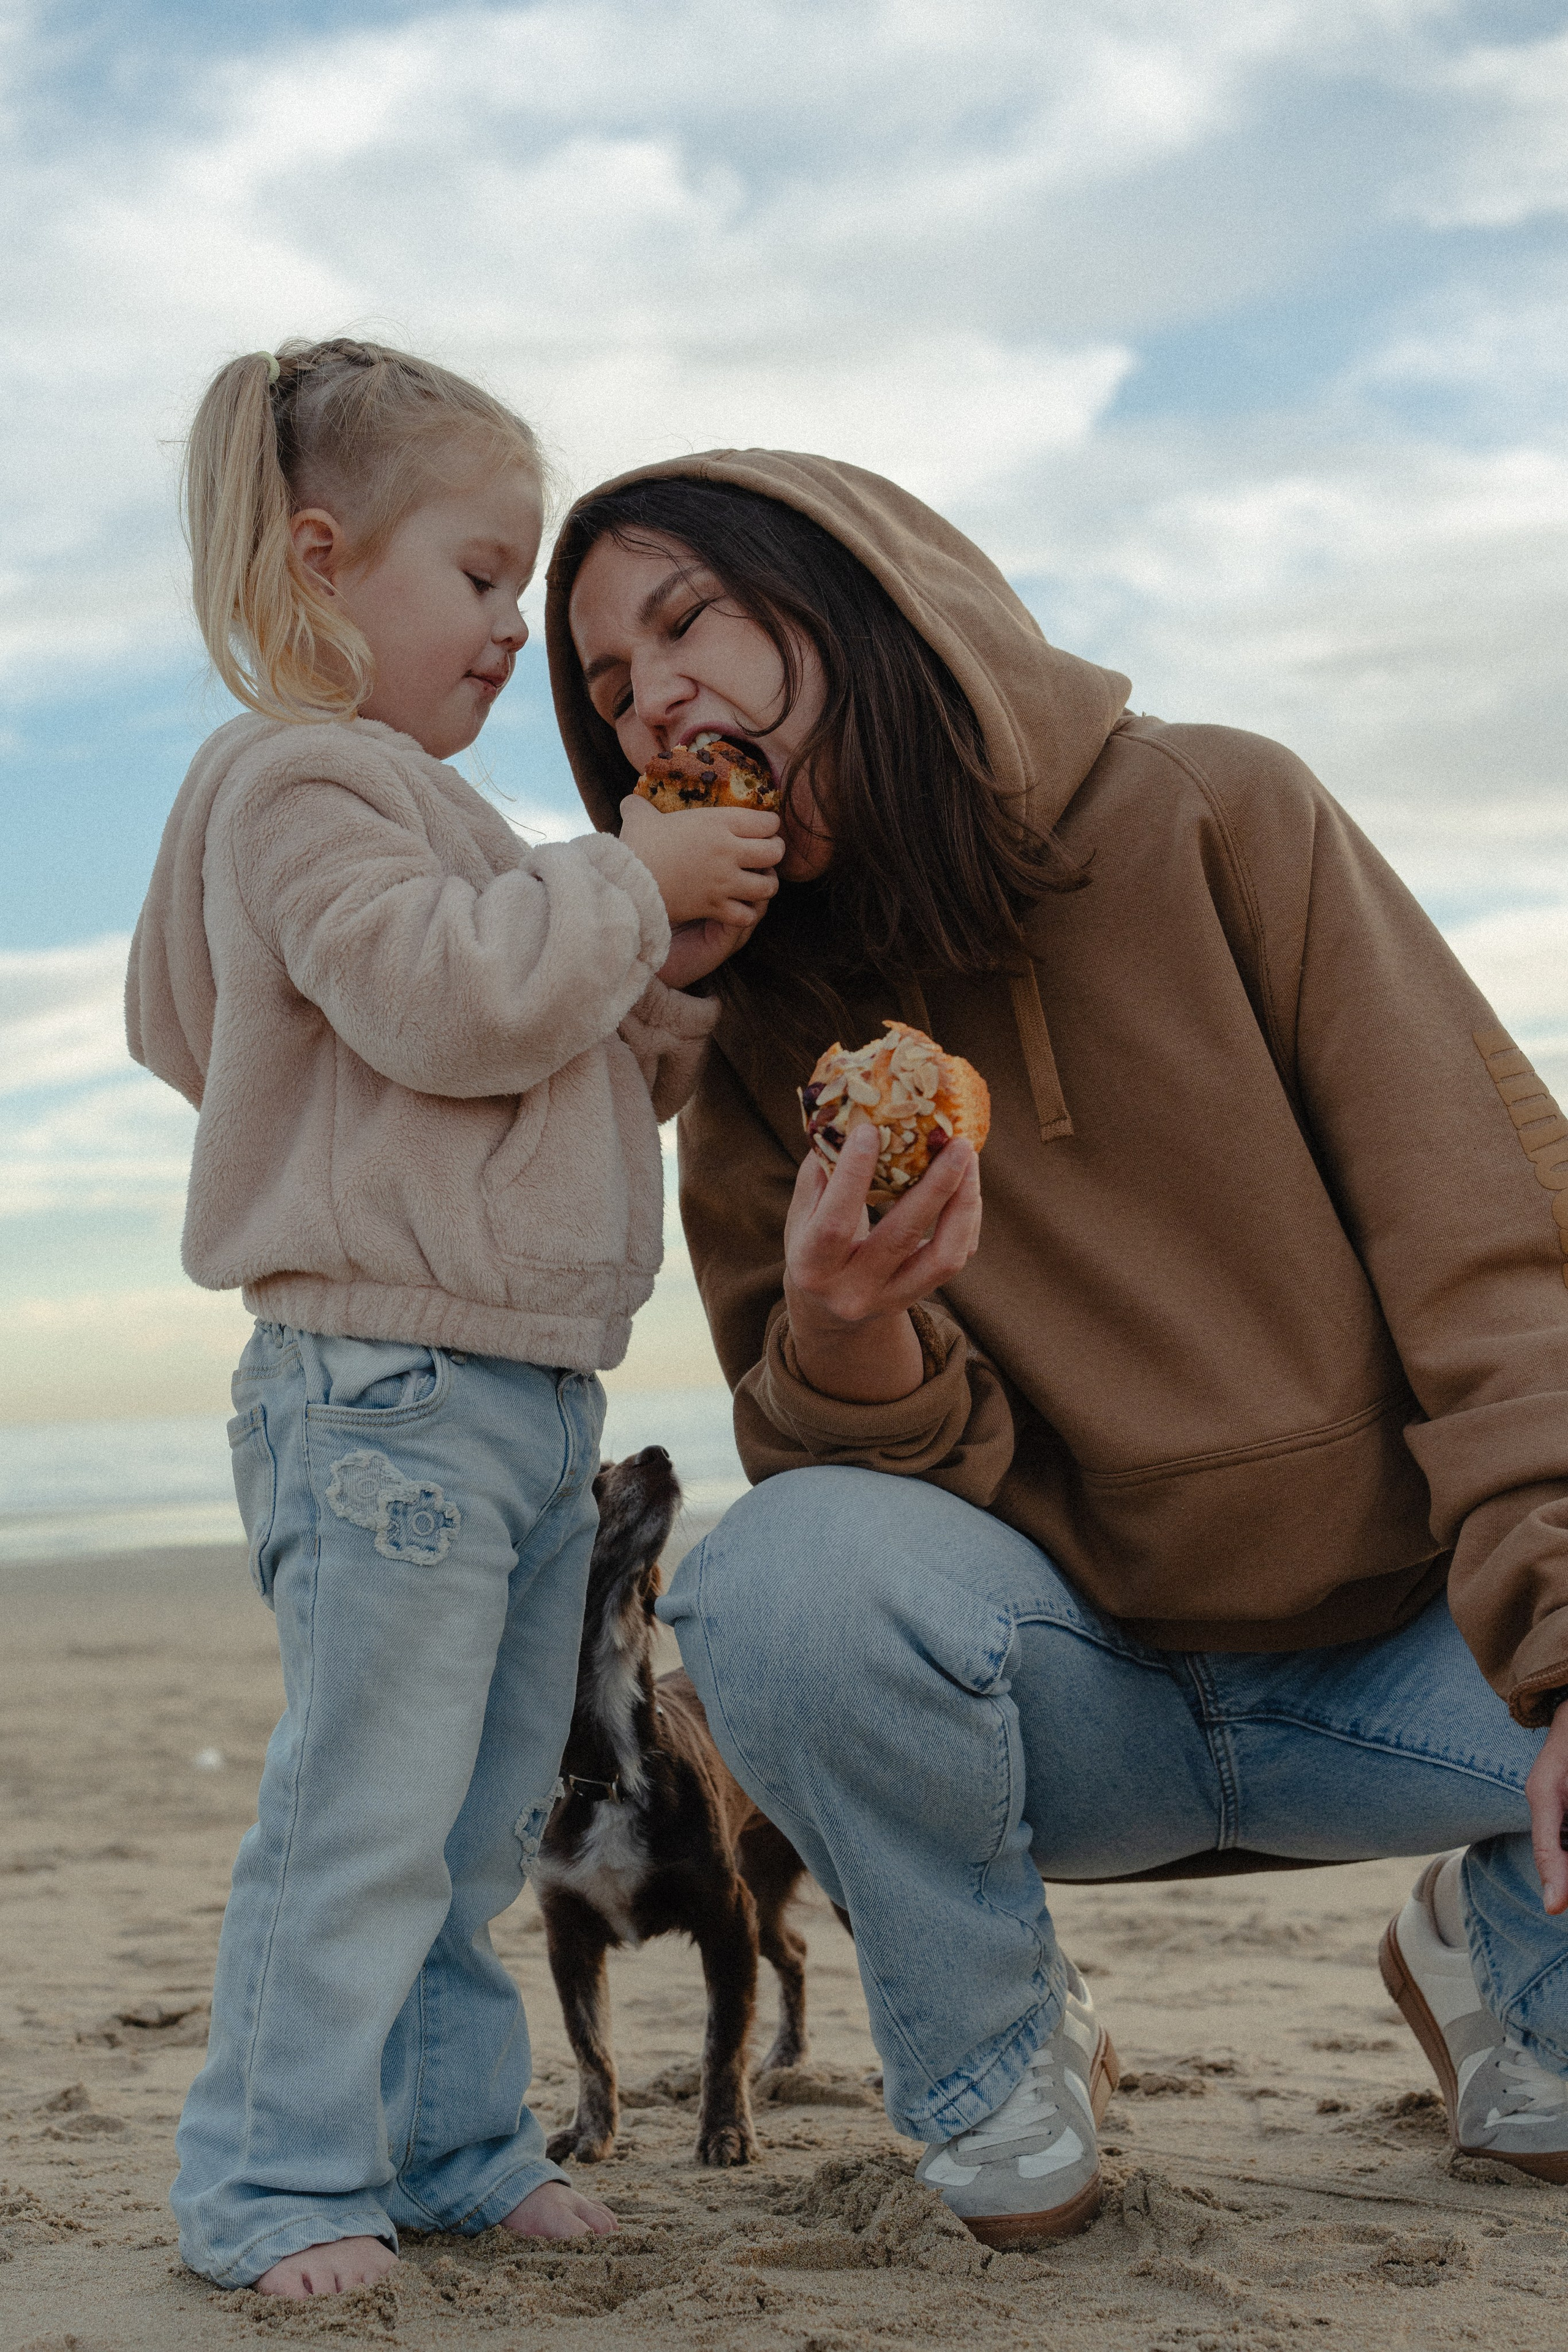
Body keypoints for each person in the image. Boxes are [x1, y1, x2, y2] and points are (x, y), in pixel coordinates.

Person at [545, 450, 1568, 2244]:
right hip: (1062, 1699)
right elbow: (864, 1529)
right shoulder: (758, 1030)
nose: (654, 706)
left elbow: (1493, 1261)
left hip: (1414, 1674)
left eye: (685, 618)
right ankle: (1002, 2042)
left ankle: (1506, 1958)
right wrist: (852, 1333)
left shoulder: (1214, 810)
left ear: (853, 591)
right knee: (773, 1576)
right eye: (611, 688)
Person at [127, 344, 783, 2296]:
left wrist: (672, 967)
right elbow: (446, 1001)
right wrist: (618, 885)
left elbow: (556, 1058)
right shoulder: (301, 776)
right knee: (363, 1820)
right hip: (386, 1396)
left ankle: (451, 2144)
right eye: (485, 579)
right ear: (324, 564)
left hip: (519, 1407)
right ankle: (267, 2185)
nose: (517, 628)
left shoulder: (463, 830)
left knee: (480, 1827)